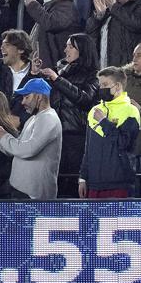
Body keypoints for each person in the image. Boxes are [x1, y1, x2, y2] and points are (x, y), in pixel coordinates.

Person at [40, 33, 98, 197]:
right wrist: (34, 73)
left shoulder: (93, 74)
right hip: (54, 135)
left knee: (73, 185)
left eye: (71, 46)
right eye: (66, 46)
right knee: (56, 183)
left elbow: (85, 98)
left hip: (76, 136)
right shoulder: (60, 72)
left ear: (83, 50)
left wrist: (57, 80)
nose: (66, 50)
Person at [78, 67, 141, 199]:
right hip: (94, 184)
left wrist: (104, 122)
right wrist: (83, 178)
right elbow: (88, 149)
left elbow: (123, 143)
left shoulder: (131, 111)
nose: (101, 88)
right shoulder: (94, 111)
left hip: (119, 183)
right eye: (100, 85)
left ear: (117, 86)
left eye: (105, 85)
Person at [0, 78, 62, 200]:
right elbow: (15, 150)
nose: (22, 102)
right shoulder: (33, 119)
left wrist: (5, 136)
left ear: (39, 97)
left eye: (26, 97)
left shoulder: (49, 119)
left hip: (33, 195)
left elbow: (28, 150)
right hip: (21, 190)